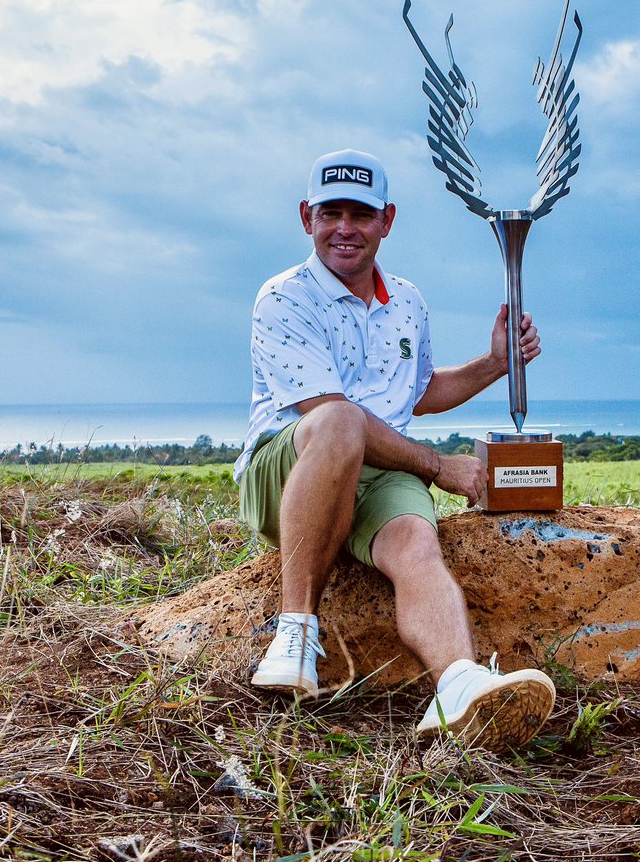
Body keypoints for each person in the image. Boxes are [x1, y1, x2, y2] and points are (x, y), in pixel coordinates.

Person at [235, 148, 556, 750]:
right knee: (338, 423)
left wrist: (494, 363)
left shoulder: (407, 301)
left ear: (387, 221)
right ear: (307, 217)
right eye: (332, 212)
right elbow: (334, 416)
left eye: (362, 213)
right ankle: (295, 632)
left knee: (415, 542)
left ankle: (457, 685)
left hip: (379, 472)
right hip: (290, 469)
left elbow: (420, 392)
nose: (346, 228)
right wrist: (437, 466)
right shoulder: (283, 296)